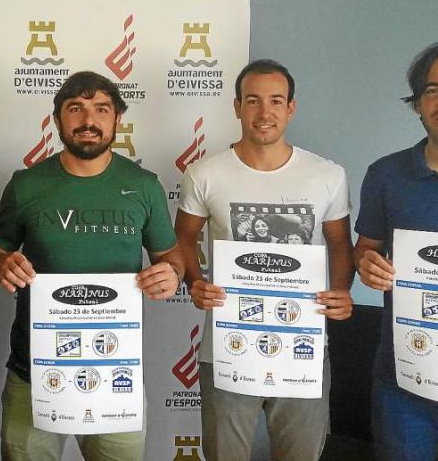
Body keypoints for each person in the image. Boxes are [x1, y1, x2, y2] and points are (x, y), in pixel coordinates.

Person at [0, 71, 184, 461]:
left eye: (101, 109)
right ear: (57, 120)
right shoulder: (26, 184)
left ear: (117, 120)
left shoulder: (144, 185)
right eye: (75, 108)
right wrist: (2, 262)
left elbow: (171, 255)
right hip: (34, 372)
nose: (88, 120)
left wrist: (172, 274)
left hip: (116, 373)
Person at [174, 59, 354, 461]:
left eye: (275, 100)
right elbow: (183, 238)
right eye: (253, 100)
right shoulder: (205, 173)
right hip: (228, 344)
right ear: (237, 107)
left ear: (291, 108)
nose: (264, 112)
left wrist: (342, 290)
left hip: (302, 344)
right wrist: (194, 281)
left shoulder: (327, 175)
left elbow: (341, 245)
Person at [354, 43, 438, 461]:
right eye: (433, 90)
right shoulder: (386, 175)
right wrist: (367, 266)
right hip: (406, 381)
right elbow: (364, 251)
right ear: (417, 104)